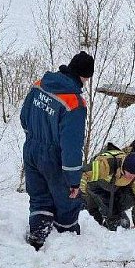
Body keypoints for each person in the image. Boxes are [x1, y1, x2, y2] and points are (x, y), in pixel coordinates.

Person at [20, 51, 94, 251]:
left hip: (31, 149)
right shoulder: (74, 103)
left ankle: (37, 238)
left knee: (39, 197)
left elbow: (24, 117)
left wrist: (33, 138)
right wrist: (73, 180)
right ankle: (66, 245)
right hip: (54, 157)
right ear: (83, 76)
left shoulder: (40, 84)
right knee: (67, 202)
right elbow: (71, 146)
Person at [80, 149, 135, 231]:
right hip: (97, 188)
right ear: (123, 167)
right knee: (112, 224)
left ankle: (115, 212)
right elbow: (83, 174)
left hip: (114, 190)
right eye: (129, 173)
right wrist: (82, 194)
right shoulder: (106, 165)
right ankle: (98, 211)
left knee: (124, 225)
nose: (130, 177)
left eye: (133, 175)